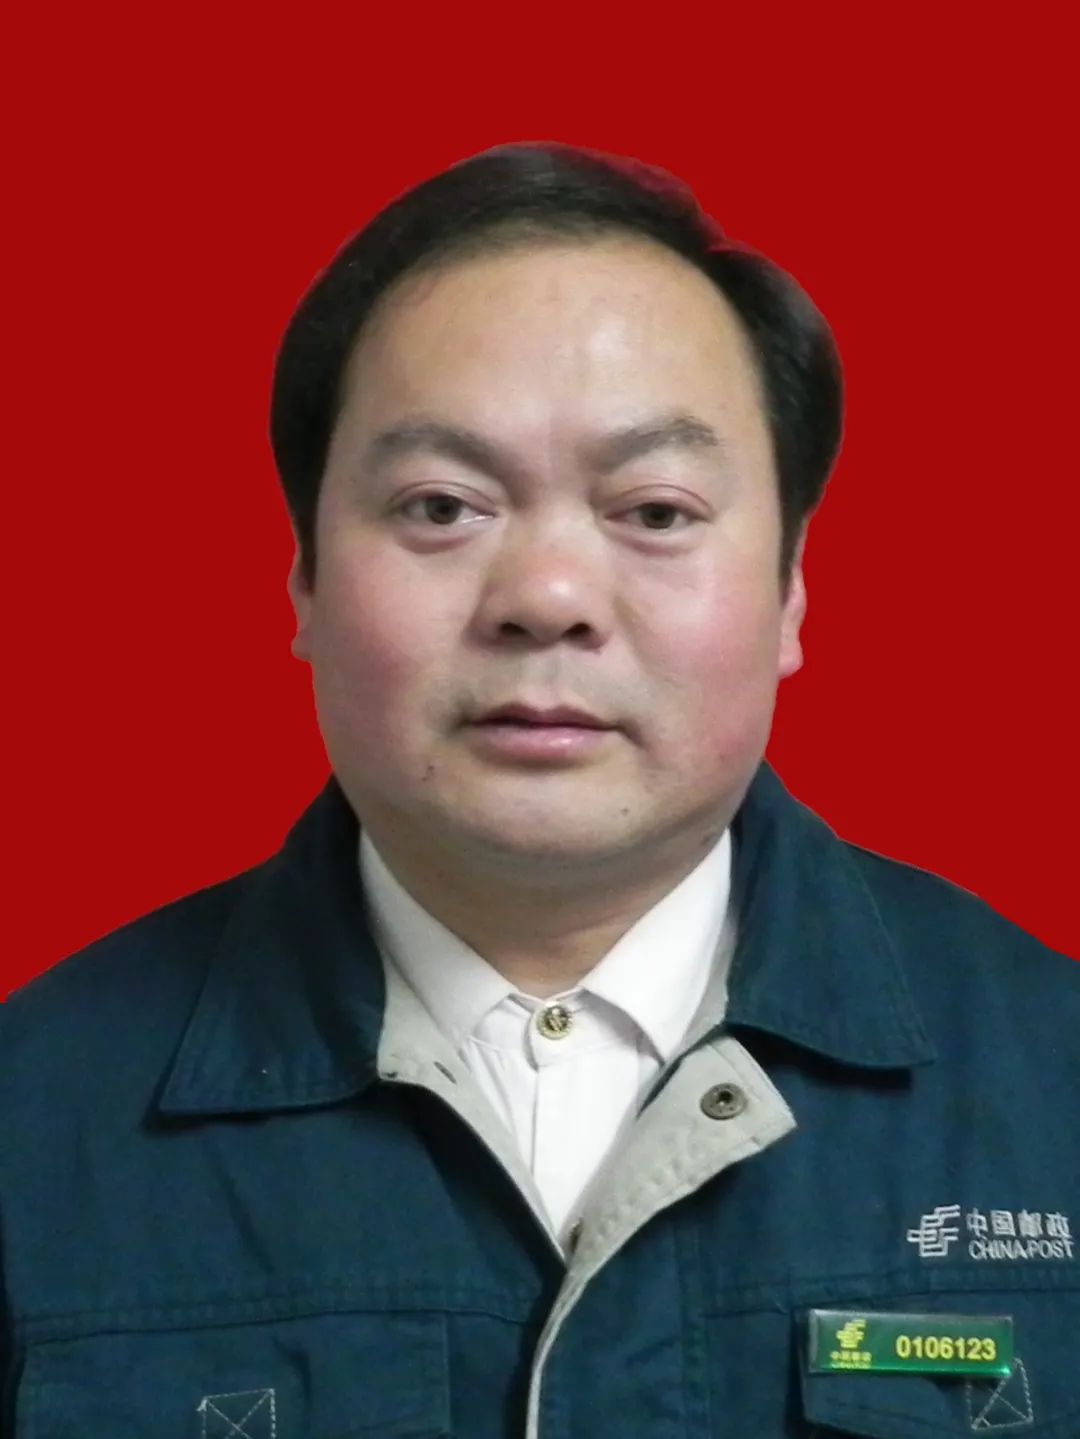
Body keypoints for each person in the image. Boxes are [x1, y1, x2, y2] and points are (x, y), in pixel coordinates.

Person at [1, 142, 1077, 1438]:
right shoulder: (32, 1121)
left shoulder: (1053, 1081)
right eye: (441, 506)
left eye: (656, 511)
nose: (548, 598)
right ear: (305, 581)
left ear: (792, 589)